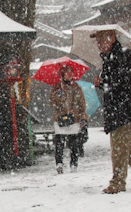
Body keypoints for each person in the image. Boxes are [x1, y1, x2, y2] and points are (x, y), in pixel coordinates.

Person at [92, 29, 131, 194]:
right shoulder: (109, 59)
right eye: (97, 40)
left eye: (101, 39)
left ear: (112, 37)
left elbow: (122, 83)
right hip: (119, 111)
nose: (99, 44)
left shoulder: (122, 57)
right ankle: (118, 180)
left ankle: (117, 182)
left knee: (119, 150)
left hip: (122, 112)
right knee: (125, 151)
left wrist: (104, 82)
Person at [49, 65, 88, 174]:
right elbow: (52, 103)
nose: (69, 74)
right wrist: (58, 96)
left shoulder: (77, 88)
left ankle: (74, 164)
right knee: (59, 143)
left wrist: (83, 118)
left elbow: (82, 105)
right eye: (67, 72)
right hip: (60, 119)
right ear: (62, 74)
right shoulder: (57, 87)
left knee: (74, 143)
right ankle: (59, 163)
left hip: (74, 119)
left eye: (71, 72)